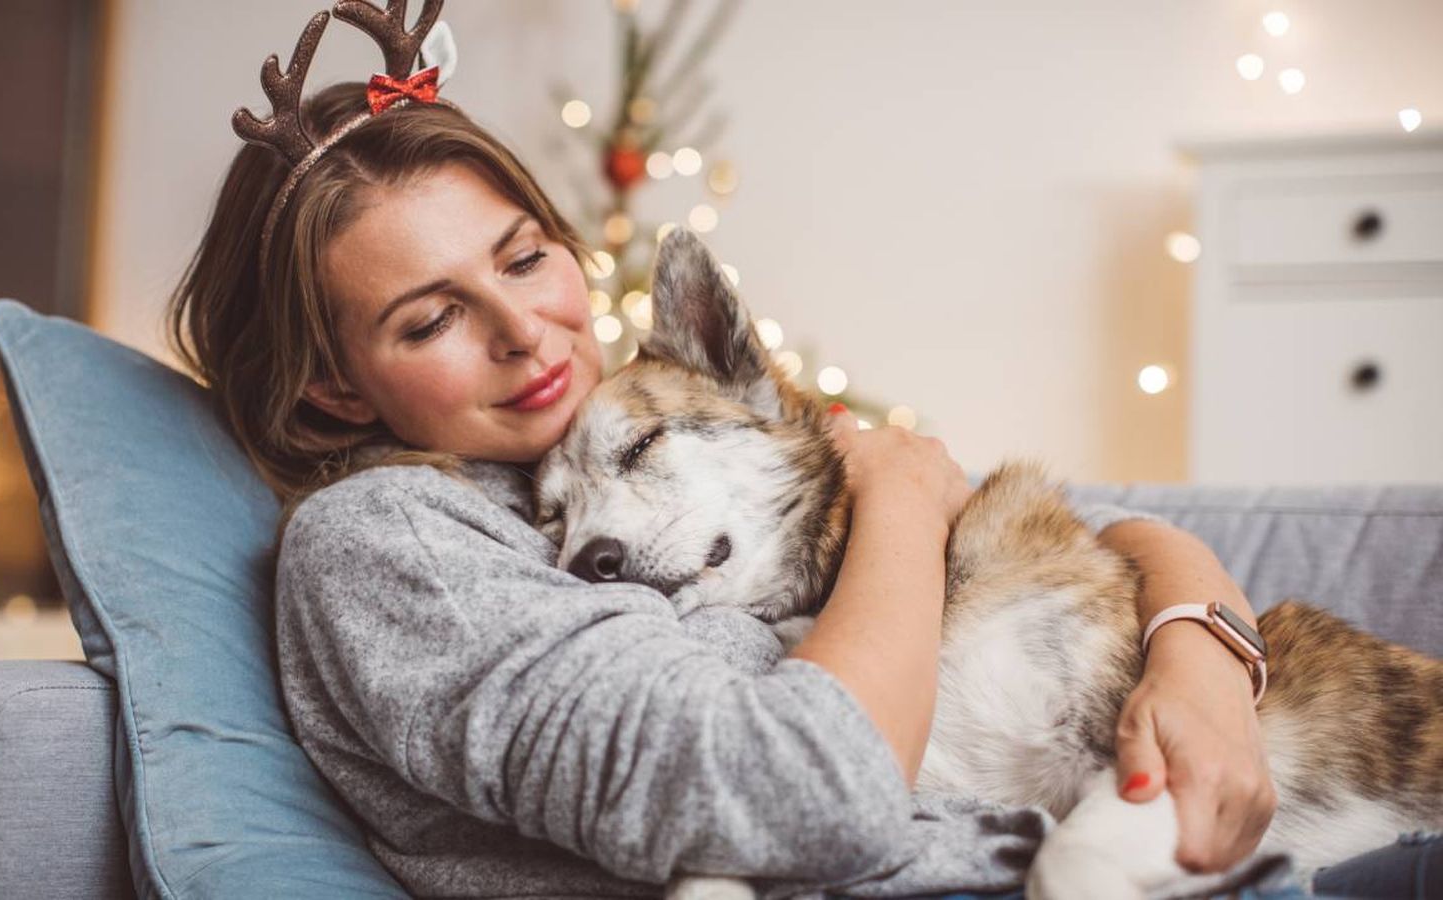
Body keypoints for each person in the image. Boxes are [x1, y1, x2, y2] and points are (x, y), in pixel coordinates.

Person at [166, 11, 1291, 897]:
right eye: (428, 320)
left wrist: (1200, 662)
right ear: (329, 385)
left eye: (521, 258)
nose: (521, 332)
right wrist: (894, 495)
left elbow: (1101, 539)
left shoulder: (612, 438)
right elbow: (807, 796)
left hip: (1179, 826)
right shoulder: (383, 542)